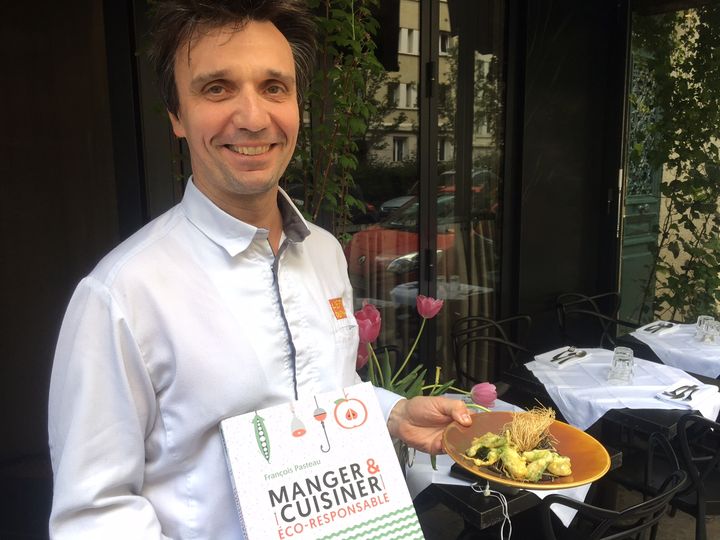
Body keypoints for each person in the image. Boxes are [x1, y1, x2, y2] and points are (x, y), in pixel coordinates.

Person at [47, 1, 472, 538]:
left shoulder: (322, 251)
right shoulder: (121, 296)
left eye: (274, 87)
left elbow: (320, 396)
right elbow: (93, 514)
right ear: (176, 116)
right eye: (217, 88)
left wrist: (390, 413)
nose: (253, 117)